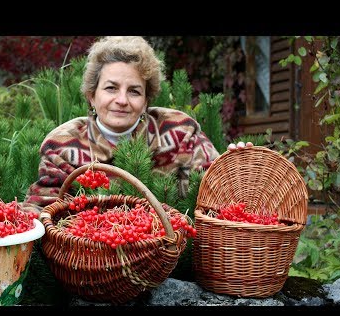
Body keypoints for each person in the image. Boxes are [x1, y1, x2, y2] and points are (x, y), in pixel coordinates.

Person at [22, 36, 221, 215]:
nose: (122, 100)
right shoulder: (63, 145)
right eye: (111, 88)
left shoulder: (180, 131)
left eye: (134, 91)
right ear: (92, 96)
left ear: (145, 101)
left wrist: (238, 163)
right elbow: (43, 209)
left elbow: (216, 190)